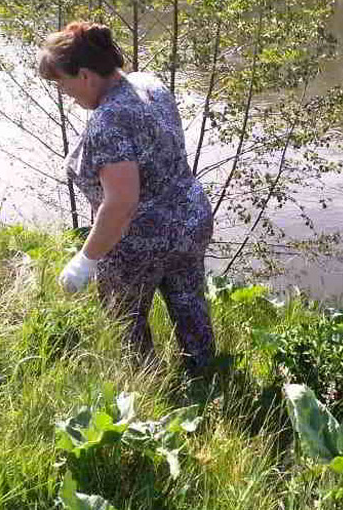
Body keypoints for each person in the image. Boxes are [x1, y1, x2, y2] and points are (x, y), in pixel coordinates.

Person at [38, 21, 215, 375]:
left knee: (125, 320)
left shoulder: (107, 120)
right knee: (190, 303)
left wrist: (86, 261)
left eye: (62, 83)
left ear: (86, 75)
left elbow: (121, 203)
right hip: (190, 220)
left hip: (139, 240)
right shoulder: (150, 84)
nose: (64, 93)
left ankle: (145, 390)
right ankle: (206, 375)